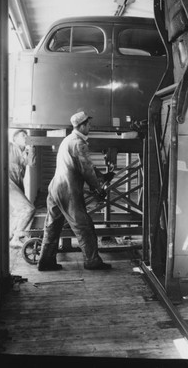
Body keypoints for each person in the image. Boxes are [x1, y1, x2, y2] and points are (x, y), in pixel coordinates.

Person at [38, 111, 112, 271]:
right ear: (82, 125)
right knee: (84, 225)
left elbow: (82, 166)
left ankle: (46, 261)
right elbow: (86, 169)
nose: (90, 127)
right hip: (67, 191)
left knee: (52, 226)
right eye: (89, 124)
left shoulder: (67, 140)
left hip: (55, 188)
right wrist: (98, 187)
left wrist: (101, 176)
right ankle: (92, 261)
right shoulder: (79, 143)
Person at [9, 129, 36, 248]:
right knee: (28, 209)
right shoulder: (9, 146)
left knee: (17, 213)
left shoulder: (25, 151)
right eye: (23, 135)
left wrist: (32, 149)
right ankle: (16, 238)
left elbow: (32, 163)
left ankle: (11, 237)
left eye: (27, 135)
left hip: (17, 184)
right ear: (15, 138)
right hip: (7, 183)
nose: (26, 137)